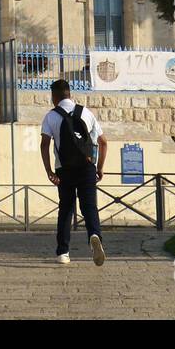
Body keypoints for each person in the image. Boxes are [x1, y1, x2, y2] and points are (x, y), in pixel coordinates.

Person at [39, 79, 107, 266]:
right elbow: (103, 142)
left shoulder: (51, 117)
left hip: (64, 169)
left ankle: (63, 252)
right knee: (89, 206)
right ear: (69, 94)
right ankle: (94, 235)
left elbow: (44, 144)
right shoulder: (86, 113)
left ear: (54, 97)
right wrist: (99, 167)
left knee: (66, 209)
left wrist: (49, 171)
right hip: (87, 167)